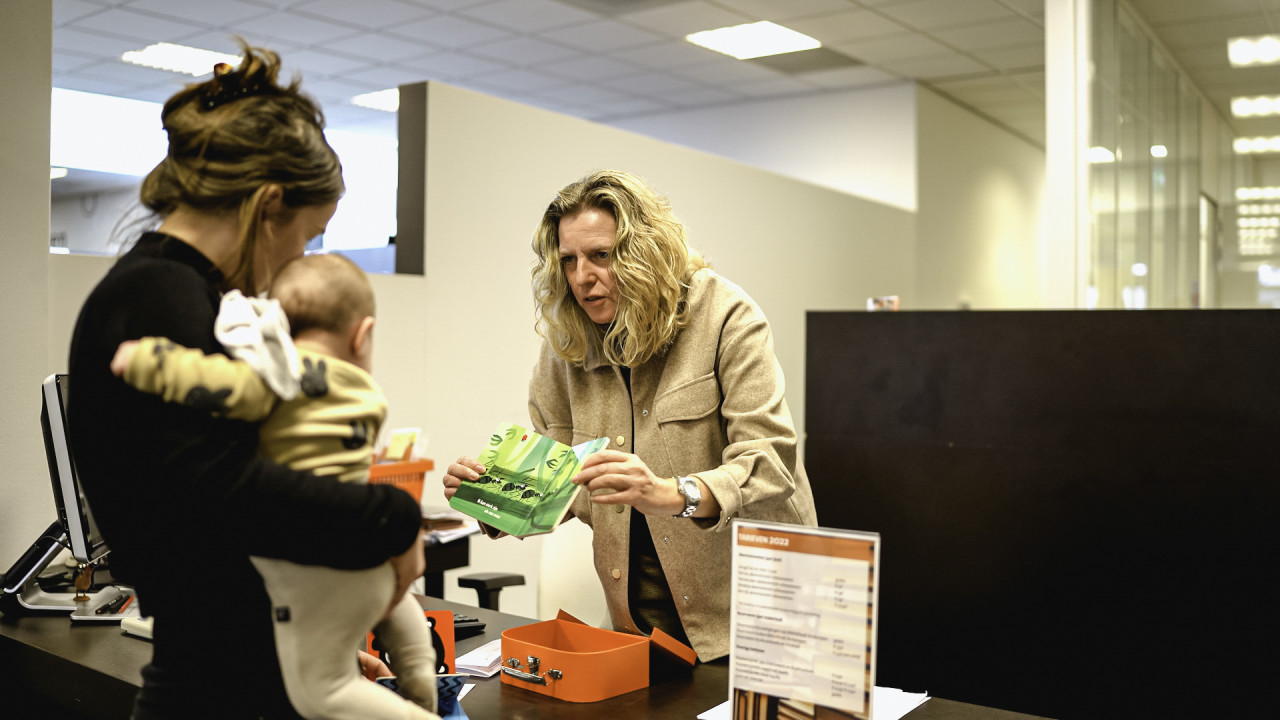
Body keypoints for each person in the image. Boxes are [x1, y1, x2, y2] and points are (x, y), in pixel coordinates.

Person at [67, 43, 425, 720]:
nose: (300, 260)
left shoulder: (173, 292)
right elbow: (225, 497)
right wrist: (395, 518)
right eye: (308, 234)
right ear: (267, 205)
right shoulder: (162, 299)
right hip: (214, 694)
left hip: (235, 671)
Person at [442, 169, 818, 662]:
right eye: (569, 260)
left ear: (647, 251)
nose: (582, 277)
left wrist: (670, 494)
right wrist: (488, 495)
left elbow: (769, 464)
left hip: (754, 616)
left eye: (601, 256)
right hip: (639, 625)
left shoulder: (726, 315)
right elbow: (556, 483)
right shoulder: (565, 349)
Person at [110, 252, 439, 720]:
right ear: (362, 335)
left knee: (324, 691)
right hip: (372, 557)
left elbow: (213, 382)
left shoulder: (274, 379)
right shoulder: (367, 394)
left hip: (313, 564)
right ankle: (421, 676)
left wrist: (145, 359)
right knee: (395, 600)